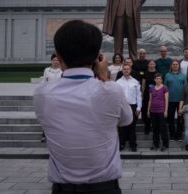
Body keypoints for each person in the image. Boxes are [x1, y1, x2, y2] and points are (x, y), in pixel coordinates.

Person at [34, 20, 132, 194]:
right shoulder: (111, 90)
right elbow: (127, 119)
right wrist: (104, 77)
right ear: (97, 56)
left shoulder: (43, 94)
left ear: (58, 54)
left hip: (62, 188)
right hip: (104, 188)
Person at [116, 63, 142, 152]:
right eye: (124, 69)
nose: (126, 70)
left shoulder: (135, 82)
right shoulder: (118, 82)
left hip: (132, 107)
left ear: (130, 70)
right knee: (121, 127)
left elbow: (139, 96)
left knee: (132, 127)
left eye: (128, 69)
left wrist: (139, 108)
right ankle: (121, 144)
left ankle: (133, 145)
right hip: (122, 107)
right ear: (122, 70)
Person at [165, 60, 186, 140]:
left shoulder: (183, 76)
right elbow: (165, 88)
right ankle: (172, 135)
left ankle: (179, 135)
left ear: (179, 66)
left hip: (180, 101)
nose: (175, 65)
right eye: (173, 64)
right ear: (171, 66)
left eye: (176, 64)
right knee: (170, 119)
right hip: (170, 101)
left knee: (180, 119)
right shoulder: (167, 75)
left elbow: (185, 89)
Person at [147, 73, 169, 151]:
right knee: (155, 128)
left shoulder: (164, 88)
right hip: (153, 111)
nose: (158, 80)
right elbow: (150, 100)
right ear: (154, 79)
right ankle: (156, 144)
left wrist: (166, 111)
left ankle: (165, 144)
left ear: (161, 79)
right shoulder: (152, 89)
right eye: (156, 78)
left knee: (163, 128)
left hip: (161, 111)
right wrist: (148, 111)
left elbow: (166, 100)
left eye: (159, 78)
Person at [141, 59, 157, 134]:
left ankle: (154, 127)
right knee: (146, 110)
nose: (151, 65)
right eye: (150, 64)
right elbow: (143, 85)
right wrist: (142, 95)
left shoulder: (157, 73)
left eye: (153, 64)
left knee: (154, 110)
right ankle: (147, 127)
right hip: (147, 94)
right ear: (148, 65)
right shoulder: (145, 73)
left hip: (156, 94)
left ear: (155, 65)